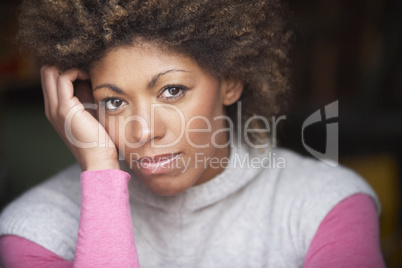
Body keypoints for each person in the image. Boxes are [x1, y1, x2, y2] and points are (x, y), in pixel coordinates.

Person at [0, 0, 385, 267]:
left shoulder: (325, 207)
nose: (144, 131)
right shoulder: (36, 230)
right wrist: (100, 168)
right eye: (115, 102)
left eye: (172, 91)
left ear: (230, 82)